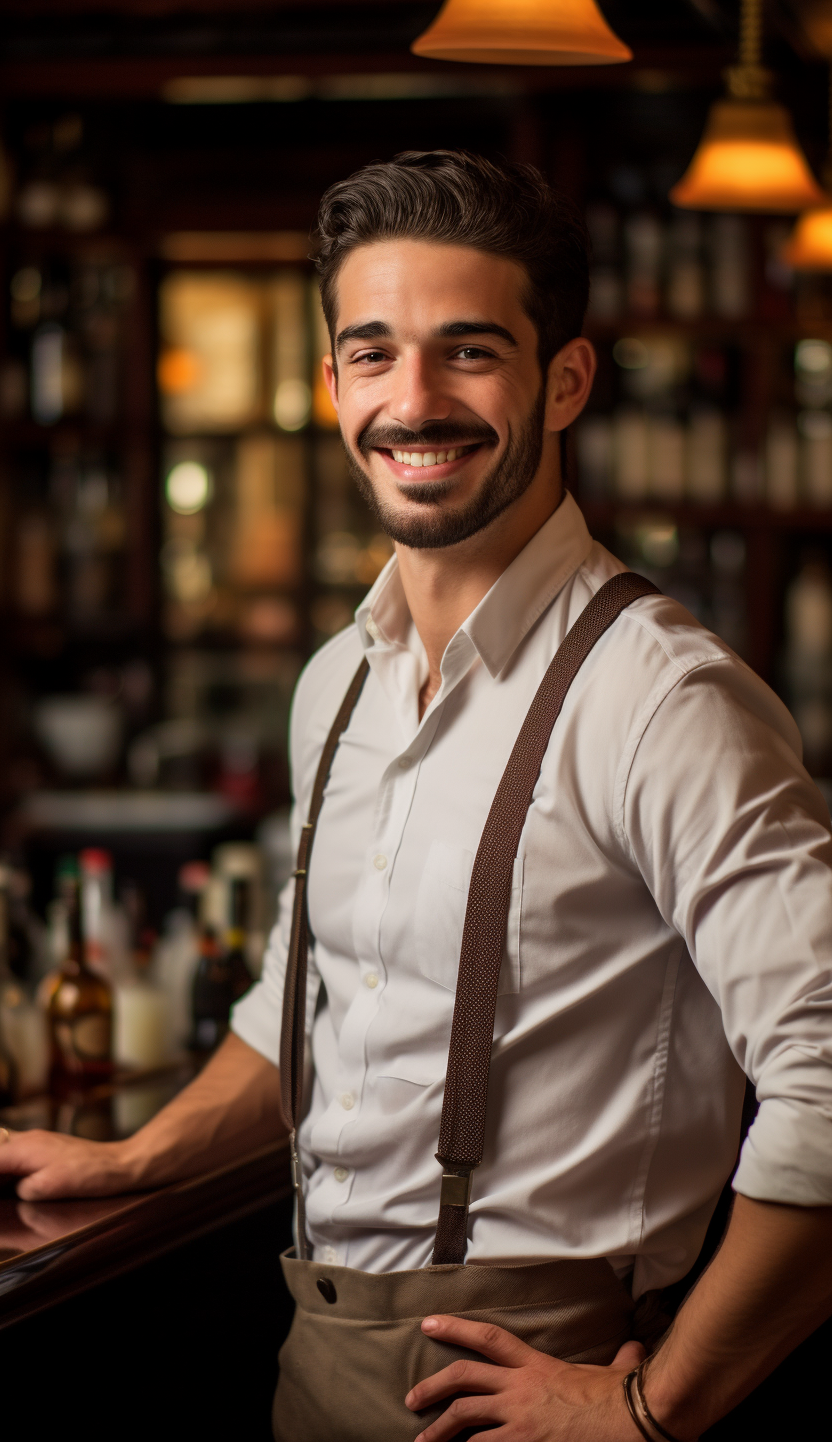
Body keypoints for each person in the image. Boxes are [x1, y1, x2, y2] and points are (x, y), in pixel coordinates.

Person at [2, 149, 832, 1442]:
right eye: (374, 353)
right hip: (315, 1358)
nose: (415, 401)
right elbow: (310, 997)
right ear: (331, 381)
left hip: (539, 1380)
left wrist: (653, 1408)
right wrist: (136, 1161)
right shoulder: (337, 681)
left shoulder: (662, 699)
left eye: (470, 351)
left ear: (565, 381)